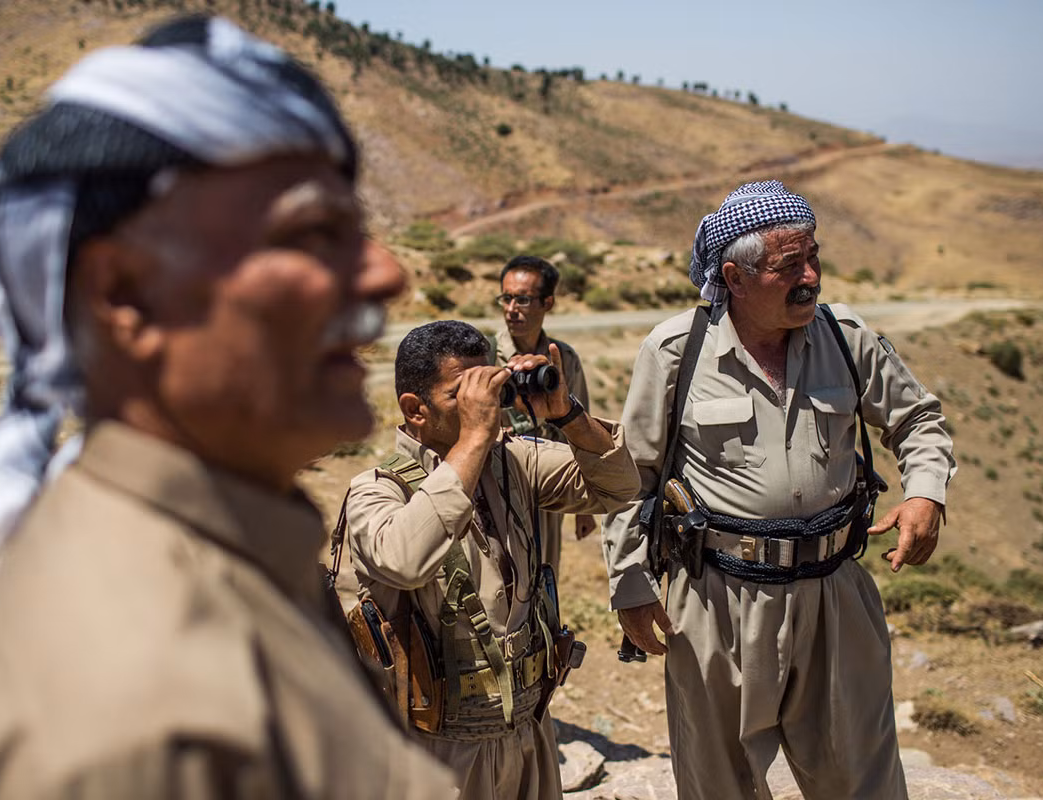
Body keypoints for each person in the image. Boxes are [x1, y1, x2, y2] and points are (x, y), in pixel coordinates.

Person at [0, 16, 457, 799]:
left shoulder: (232, 554)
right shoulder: (135, 706)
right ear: (122, 294)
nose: (384, 275)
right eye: (313, 231)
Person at [603, 180, 955, 800]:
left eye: (814, 258)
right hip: (715, 600)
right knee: (718, 784)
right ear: (735, 279)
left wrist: (926, 492)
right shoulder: (675, 351)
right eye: (790, 266)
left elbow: (917, 419)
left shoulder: (845, 338)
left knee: (861, 779)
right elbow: (633, 480)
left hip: (834, 596)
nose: (812, 277)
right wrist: (630, 584)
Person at [340, 319, 639, 799]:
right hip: (439, 747)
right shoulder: (376, 492)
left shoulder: (513, 461)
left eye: (489, 387)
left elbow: (619, 486)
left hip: (528, 727)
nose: (486, 406)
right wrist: (475, 439)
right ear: (415, 410)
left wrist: (567, 416)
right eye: (465, 394)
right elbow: (404, 560)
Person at [492, 255, 595, 573]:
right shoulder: (484, 356)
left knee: (545, 575)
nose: (512, 309)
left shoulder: (562, 359)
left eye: (522, 299)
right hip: (499, 485)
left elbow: (580, 424)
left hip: (549, 488)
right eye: (506, 298)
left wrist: (584, 505)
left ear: (547, 302)